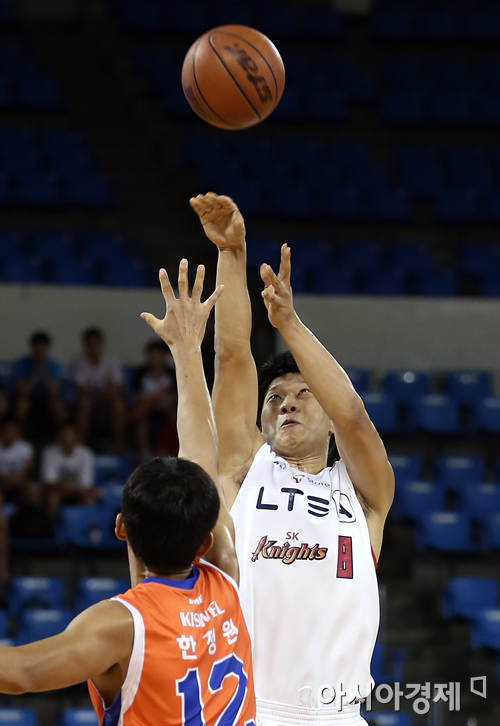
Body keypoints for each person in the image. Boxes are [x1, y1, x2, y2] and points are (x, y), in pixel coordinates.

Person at [0, 260, 256, 726]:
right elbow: (202, 453)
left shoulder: (119, 626)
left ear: (121, 527)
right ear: (204, 541)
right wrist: (187, 351)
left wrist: (183, 349)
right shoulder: (226, 578)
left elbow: (19, 673)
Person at [190, 193, 395, 725]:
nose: (287, 403)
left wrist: (289, 323)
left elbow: (353, 415)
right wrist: (231, 253)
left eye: (305, 394)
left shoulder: (365, 496)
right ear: (262, 420)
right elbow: (232, 356)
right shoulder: (245, 468)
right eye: (275, 397)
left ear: (326, 419)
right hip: (250, 709)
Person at [73, 327, 125, 453]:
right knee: (84, 403)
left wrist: (108, 389)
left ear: (101, 344)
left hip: (108, 398)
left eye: (96, 344)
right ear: (85, 346)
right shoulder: (79, 362)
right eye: (90, 345)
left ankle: (119, 447)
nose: (93, 348)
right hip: (90, 399)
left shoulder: (112, 361)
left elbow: (118, 387)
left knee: (119, 405)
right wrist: (100, 390)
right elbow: (81, 389)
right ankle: (80, 447)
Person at [13, 331, 65, 439]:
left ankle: (61, 438)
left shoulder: (53, 365)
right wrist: (35, 372)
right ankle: (19, 438)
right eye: (37, 349)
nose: (40, 352)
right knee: (22, 404)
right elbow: (23, 391)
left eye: (43, 349)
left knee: (57, 406)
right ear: (32, 349)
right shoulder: (21, 363)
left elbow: (55, 392)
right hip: (28, 398)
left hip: (47, 399)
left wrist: (45, 372)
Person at [131, 339, 177, 458]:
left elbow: (175, 397)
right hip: (147, 408)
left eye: (158, 357)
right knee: (141, 417)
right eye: (152, 357)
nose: (155, 360)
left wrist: (164, 402)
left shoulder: (172, 374)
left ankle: (172, 451)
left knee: (175, 415)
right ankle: (144, 453)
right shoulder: (140, 374)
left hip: (166, 408)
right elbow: (138, 396)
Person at [40, 423, 96, 519]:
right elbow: (49, 483)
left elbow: (86, 485)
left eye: (70, 436)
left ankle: (89, 525)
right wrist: (64, 488)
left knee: (89, 498)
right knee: (52, 497)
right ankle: (51, 526)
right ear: (58, 437)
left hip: (77, 492)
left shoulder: (85, 453)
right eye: (64, 436)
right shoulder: (50, 452)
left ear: (76, 438)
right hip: (58, 491)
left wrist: (72, 489)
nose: (67, 439)